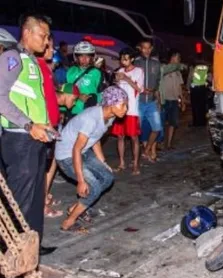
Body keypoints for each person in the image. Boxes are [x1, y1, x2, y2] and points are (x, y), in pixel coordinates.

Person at [0, 13, 58, 255]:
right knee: (20, 200)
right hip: (20, 139)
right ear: (27, 32)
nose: (46, 41)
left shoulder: (32, 61)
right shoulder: (12, 59)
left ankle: (32, 247)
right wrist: (28, 125)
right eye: (43, 35)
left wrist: (44, 125)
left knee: (35, 197)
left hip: (37, 138)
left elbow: (32, 100)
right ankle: (9, 254)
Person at [55, 86, 128, 233]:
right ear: (110, 104)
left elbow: (95, 138)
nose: (126, 109)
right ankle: (68, 222)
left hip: (84, 151)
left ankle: (75, 208)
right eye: (123, 104)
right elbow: (76, 149)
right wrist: (81, 181)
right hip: (67, 156)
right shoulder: (91, 119)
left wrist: (103, 162)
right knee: (92, 187)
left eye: (126, 105)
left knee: (107, 177)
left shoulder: (110, 116)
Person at [36, 33, 77, 218]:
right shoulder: (40, 70)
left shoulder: (47, 71)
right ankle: (42, 204)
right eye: (48, 47)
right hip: (44, 128)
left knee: (49, 166)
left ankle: (44, 197)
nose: (51, 50)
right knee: (44, 168)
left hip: (51, 126)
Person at [110, 48, 144, 175]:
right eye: (122, 59)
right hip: (120, 109)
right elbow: (117, 89)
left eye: (126, 58)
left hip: (132, 109)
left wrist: (126, 78)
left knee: (134, 137)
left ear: (132, 59)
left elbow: (139, 89)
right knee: (120, 136)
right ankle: (122, 163)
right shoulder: (119, 71)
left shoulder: (138, 71)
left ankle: (135, 164)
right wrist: (117, 81)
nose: (123, 61)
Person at [134, 38, 162, 162]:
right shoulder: (135, 62)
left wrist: (158, 99)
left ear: (151, 49)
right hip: (138, 102)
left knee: (157, 128)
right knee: (136, 130)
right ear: (140, 48)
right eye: (144, 47)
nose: (146, 50)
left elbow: (157, 83)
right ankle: (138, 156)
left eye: (148, 48)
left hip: (151, 102)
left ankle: (147, 150)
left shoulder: (156, 64)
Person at [65, 40, 103, 122]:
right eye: (81, 56)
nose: (84, 59)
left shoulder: (97, 72)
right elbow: (64, 91)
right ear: (76, 57)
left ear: (92, 57)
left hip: (90, 112)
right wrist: (78, 96)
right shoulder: (70, 71)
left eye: (87, 56)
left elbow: (101, 93)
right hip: (73, 110)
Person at [159, 49, 186, 150]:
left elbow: (180, 87)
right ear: (173, 57)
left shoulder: (178, 71)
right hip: (164, 100)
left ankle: (169, 144)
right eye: (178, 57)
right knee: (161, 123)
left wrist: (182, 101)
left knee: (173, 123)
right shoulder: (164, 69)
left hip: (174, 100)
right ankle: (159, 143)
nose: (179, 59)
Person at [187, 60, 210, 127]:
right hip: (203, 88)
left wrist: (188, 88)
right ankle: (203, 122)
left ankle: (196, 123)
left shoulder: (193, 68)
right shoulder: (205, 68)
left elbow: (190, 78)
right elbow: (207, 78)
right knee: (202, 105)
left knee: (195, 106)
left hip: (195, 89)